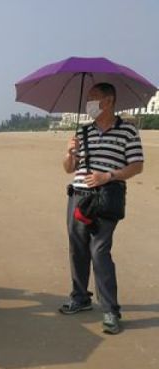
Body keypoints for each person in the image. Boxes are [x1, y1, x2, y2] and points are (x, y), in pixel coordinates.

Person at [61, 82, 144, 335]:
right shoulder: (83, 132)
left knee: (99, 251)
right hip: (78, 196)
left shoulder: (128, 131)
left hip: (106, 197)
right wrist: (69, 153)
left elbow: (137, 166)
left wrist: (107, 176)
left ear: (109, 101)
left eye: (94, 98)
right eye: (88, 99)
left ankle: (110, 310)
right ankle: (80, 298)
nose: (89, 104)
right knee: (77, 249)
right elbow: (68, 168)